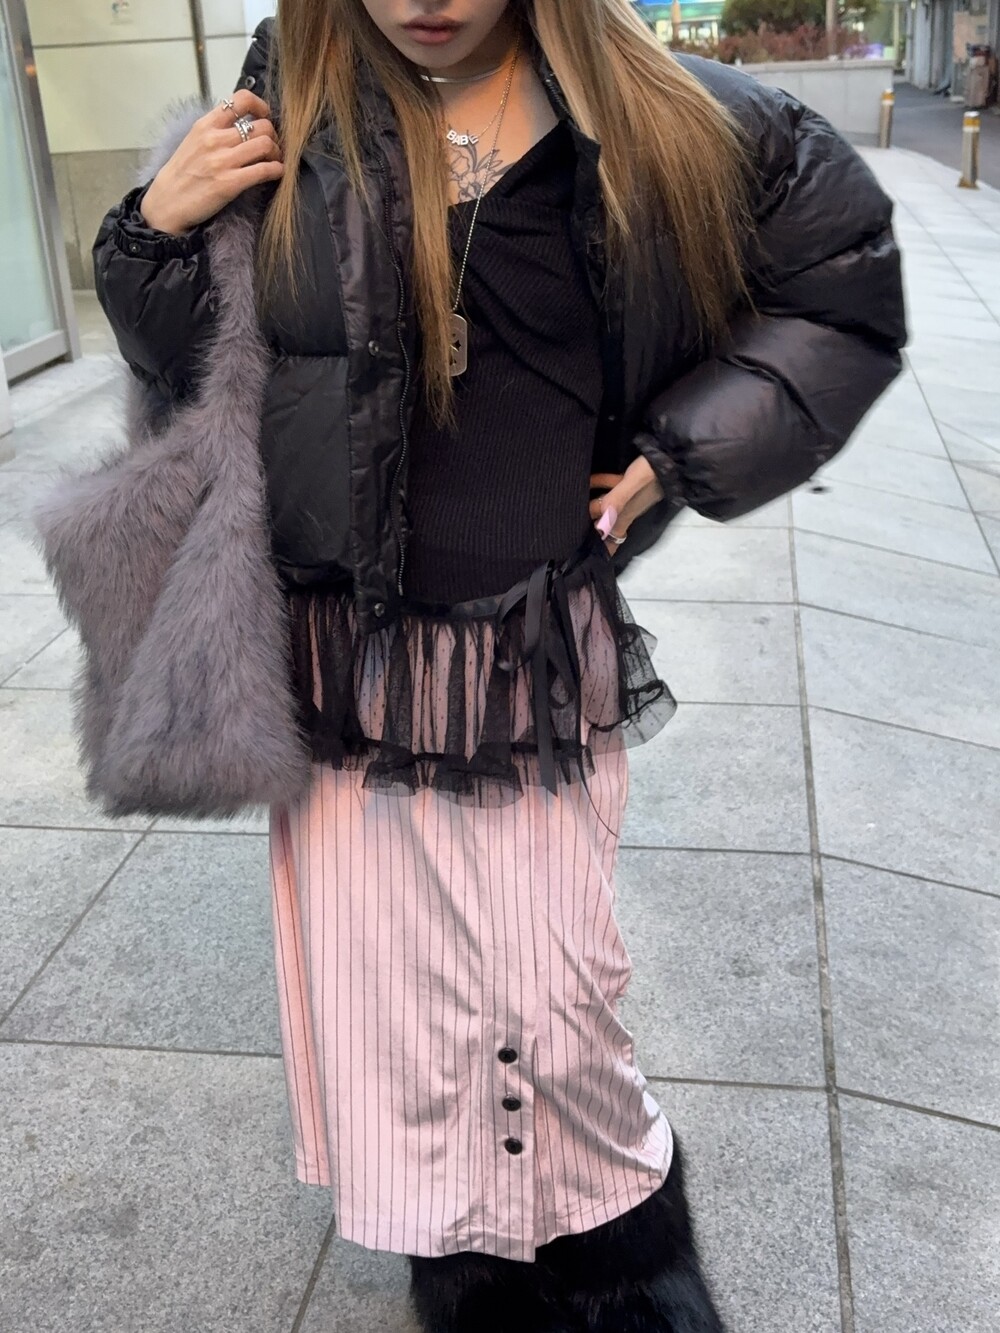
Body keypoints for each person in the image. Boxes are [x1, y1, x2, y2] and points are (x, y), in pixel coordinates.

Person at [37, 2, 906, 1329]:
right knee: (400, 1019)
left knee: (556, 1000)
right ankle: (469, 1273)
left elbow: (840, 289)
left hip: (532, 653)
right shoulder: (291, 104)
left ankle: (624, 1274)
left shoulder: (661, 111)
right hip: (348, 661)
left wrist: (680, 450)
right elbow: (201, 371)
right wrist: (149, 232)